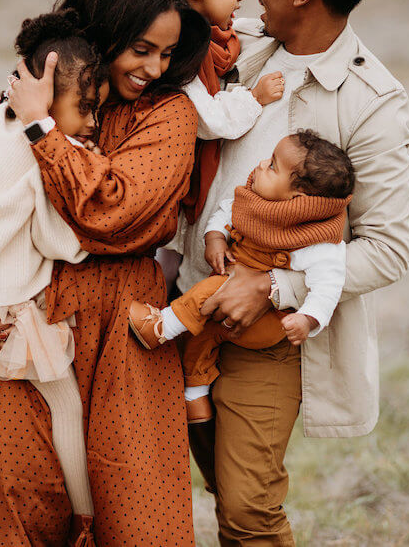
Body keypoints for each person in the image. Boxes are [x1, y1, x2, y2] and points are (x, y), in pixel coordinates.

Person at [0, 0, 210, 546]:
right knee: (21, 508)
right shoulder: (31, 96)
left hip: (124, 335)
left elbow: (114, 212)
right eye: (140, 48)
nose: (153, 68)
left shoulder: (168, 114)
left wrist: (44, 131)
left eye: (165, 53)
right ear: (102, 30)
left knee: (142, 519)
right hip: (27, 324)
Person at [177, 0, 409, 545]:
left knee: (248, 511)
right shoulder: (235, 46)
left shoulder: (373, 100)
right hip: (177, 303)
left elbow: (389, 250)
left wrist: (272, 283)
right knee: (199, 489)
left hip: (265, 335)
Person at [0, 9, 110, 534]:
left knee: (4, 398)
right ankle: (85, 514)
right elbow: (57, 240)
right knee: (64, 401)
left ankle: (2, 487)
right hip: (8, 298)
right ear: (46, 99)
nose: (94, 122)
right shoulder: (46, 151)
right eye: (86, 109)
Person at [129, 130, 353, 423]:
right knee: (201, 338)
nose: (261, 164)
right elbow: (226, 213)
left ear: (297, 196)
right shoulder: (254, 200)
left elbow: (329, 286)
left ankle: (160, 327)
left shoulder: (316, 239)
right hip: (225, 307)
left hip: (266, 322)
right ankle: (195, 397)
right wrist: (215, 239)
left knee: (210, 290)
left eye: (272, 166)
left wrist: (308, 318)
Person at [145, 0, 284, 289]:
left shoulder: (213, 32)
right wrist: (254, 99)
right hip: (162, 171)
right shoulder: (181, 45)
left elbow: (234, 28)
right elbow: (205, 119)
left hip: (179, 172)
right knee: (166, 266)